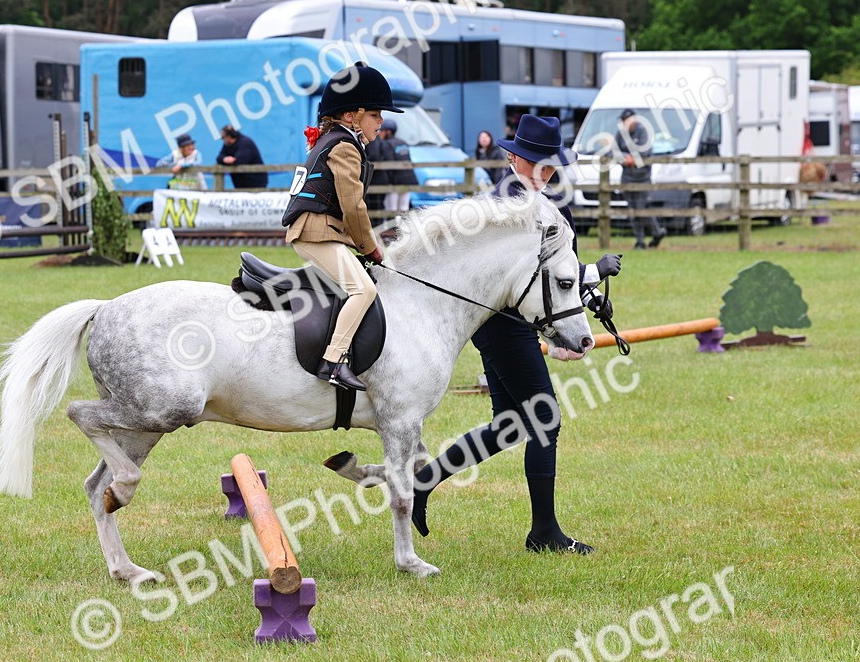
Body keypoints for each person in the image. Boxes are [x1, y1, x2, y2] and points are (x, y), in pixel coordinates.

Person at [409, 113, 623, 554]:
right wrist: (594, 271)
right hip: (501, 324)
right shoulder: (504, 207)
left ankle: (424, 481)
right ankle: (544, 533)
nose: (546, 173)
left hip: (518, 321)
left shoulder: (548, 206)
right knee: (546, 418)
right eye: (537, 163)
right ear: (513, 158)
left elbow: (555, 277)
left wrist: (589, 296)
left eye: (551, 166)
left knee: (509, 425)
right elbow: (524, 274)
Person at [281, 62, 398, 391]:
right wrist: (371, 248)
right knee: (364, 290)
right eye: (374, 114)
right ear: (351, 116)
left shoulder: (335, 139)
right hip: (315, 232)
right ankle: (333, 361)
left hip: (319, 230)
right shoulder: (345, 146)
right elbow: (353, 206)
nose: (381, 121)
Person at [617, 109, 665, 249]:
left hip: (642, 177)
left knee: (642, 209)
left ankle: (656, 232)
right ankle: (641, 240)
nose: (624, 123)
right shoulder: (621, 134)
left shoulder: (643, 132)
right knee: (632, 211)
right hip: (627, 177)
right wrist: (625, 157)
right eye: (623, 120)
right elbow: (613, 150)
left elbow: (645, 152)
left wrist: (633, 157)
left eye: (627, 120)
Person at [365, 118, 418, 219]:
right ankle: (404, 227)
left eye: (381, 131)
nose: (379, 133)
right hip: (408, 181)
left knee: (392, 210)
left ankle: (394, 228)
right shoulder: (403, 143)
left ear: (387, 131)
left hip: (394, 181)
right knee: (404, 208)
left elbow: (388, 163)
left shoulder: (387, 144)